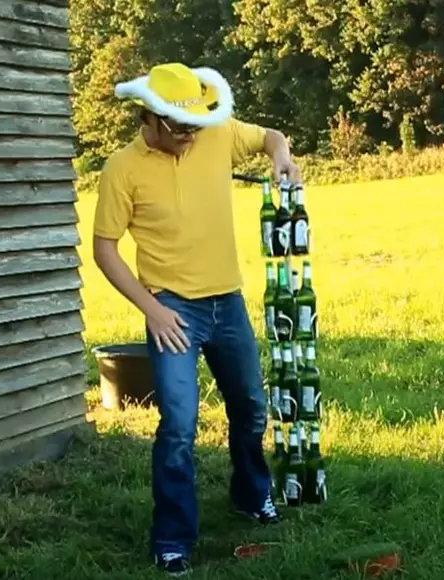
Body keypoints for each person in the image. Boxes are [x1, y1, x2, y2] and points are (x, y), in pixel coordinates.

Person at [91, 62, 303, 576]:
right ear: (152, 118)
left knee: (251, 408)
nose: (190, 135)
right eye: (180, 127)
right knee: (179, 427)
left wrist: (282, 158)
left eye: (195, 125)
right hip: (173, 311)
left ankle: (251, 496)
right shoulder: (122, 169)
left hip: (226, 302)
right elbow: (104, 250)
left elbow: (270, 136)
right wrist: (153, 309)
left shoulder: (214, 133)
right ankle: (173, 538)